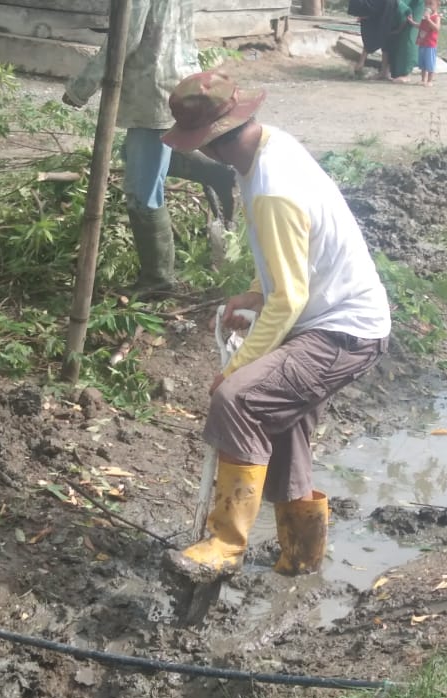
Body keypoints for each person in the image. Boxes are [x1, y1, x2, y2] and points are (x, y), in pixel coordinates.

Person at [159, 70, 392, 582]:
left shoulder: (271, 188)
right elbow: (291, 265)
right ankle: (301, 559)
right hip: (336, 316)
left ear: (209, 144)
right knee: (283, 426)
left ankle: (224, 545)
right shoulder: (270, 147)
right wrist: (254, 292)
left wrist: (237, 367)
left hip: (342, 330)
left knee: (237, 399)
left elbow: (290, 300)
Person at [62, 0, 235, 298]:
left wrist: (82, 87)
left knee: (142, 191)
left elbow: (125, 39)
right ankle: (217, 172)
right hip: (175, 80)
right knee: (135, 157)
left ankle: (158, 279)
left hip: (151, 88)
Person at [408, 0, 441, 87]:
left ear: (437, 5)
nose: (428, 6)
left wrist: (429, 19)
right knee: (422, 63)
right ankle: (423, 79)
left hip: (430, 44)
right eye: (426, 4)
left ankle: (430, 80)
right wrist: (413, 22)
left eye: (430, 4)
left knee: (430, 63)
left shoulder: (436, 17)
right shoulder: (424, 17)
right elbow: (421, 26)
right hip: (422, 43)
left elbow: (437, 28)